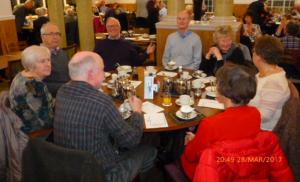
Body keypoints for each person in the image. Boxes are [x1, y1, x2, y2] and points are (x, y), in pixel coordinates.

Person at [53, 51, 157, 182]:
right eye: (102, 70)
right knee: (149, 151)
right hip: (101, 174)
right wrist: (137, 111)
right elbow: (131, 141)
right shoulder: (102, 101)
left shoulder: (62, 92)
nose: (104, 75)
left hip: (70, 167)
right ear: (91, 73)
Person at [181, 65, 261, 180]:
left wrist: (191, 142)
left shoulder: (210, 123)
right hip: (241, 169)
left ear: (224, 91)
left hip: (211, 173)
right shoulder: (255, 114)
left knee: (181, 149)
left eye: (217, 83)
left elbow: (191, 156)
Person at [9, 45, 53, 134]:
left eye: (48, 60)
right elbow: (46, 120)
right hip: (34, 133)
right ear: (31, 64)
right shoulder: (36, 86)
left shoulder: (21, 75)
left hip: (18, 124)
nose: (48, 64)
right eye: (42, 61)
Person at [249, 35, 290, 131]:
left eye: (253, 51)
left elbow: (264, 116)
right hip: (254, 124)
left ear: (260, 57)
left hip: (261, 131)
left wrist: (238, 110)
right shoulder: (268, 72)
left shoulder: (273, 83)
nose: (253, 54)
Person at [41, 22, 70, 97]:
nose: (55, 37)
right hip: (53, 97)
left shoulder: (61, 52)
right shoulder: (39, 56)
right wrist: (66, 86)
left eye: (57, 34)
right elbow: (40, 84)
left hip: (68, 91)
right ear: (42, 37)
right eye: (51, 34)